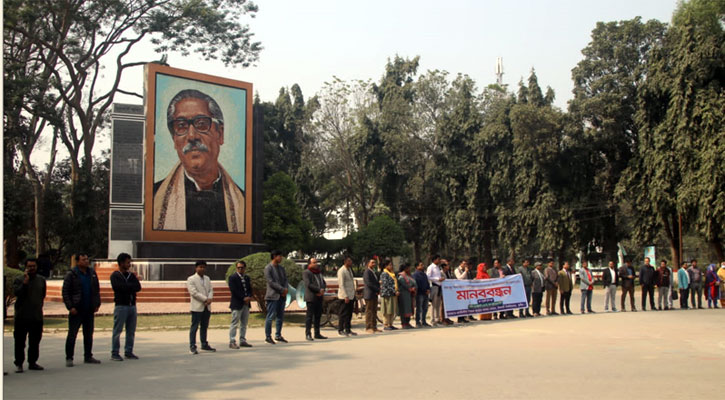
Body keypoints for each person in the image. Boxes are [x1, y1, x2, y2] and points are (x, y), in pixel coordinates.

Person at [153, 89, 245, 232]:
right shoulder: (154, 199)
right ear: (174, 139)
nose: (191, 136)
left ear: (220, 134)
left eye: (201, 124)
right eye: (181, 126)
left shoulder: (243, 202)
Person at [63, 253, 101, 367]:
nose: (86, 261)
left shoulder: (92, 273)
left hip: (89, 309)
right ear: (78, 261)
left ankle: (88, 356)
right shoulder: (71, 274)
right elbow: (65, 292)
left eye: (87, 259)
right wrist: (70, 307)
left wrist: (96, 304)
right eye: (83, 259)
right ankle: (69, 357)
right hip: (77, 309)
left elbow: (96, 290)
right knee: (72, 334)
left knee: (88, 334)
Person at [13, 258, 46, 373]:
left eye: (34, 266)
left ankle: (32, 362)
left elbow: (42, 295)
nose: (32, 268)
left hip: (36, 316)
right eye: (29, 266)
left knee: (35, 342)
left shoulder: (41, 280)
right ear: (25, 267)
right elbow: (17, 294)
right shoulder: (19, 280)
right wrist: (25, 283)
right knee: (19, 342)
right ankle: (19, 363)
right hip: (21, 317)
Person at [110, 253, 142, 361]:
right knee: (117, 330)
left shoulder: (131, 275)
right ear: (121, 263)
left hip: (132, 306)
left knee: (131, 330)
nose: (129, 264)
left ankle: (128, 351)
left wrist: (128, 287)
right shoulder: (115, 276)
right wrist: (129, 287)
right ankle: (115, 352)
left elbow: (138, 287)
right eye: (128, 262)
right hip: (121, 306)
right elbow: (118, 288)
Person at [187, 260, 215, 354]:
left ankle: (204, 344)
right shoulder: (191, 279)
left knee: (204, 326)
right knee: (194, 327)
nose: (202, 269)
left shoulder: (207, 278)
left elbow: (211, 289)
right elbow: (193, 292)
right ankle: (192, 345)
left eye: (203, 267)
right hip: (197, 307)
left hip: (207, 307)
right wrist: (205, 299)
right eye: (200, 267)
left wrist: (210, 298)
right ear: (196, 268)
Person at [264, 250, 288, 344]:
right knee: (270, 317)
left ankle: (278, 335)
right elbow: (271, 282)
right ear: (274, 256)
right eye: (279, 256)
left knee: (280, 317)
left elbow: (285, 279)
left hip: (282, 296)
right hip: (272, 296)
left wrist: (285, 289)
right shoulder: (268, 268)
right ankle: (268, 336)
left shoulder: (281, 268)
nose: (281, 258)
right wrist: (282, 289)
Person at [228, 260, 253, 348]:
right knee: (235, 323)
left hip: (246, 304)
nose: (240, 269)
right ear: (236, 268)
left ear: (245, 268)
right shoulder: (232, 277)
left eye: (242, 268)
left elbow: (249, 289)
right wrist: (243, 298)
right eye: (239, 268)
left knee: (244, 323)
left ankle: (242, 339)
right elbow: (234, 290)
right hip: (237, 303)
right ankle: (232, 341)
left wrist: (249, 297)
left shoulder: (246, 278)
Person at [303, 258, 327, 341]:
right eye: (314, 263)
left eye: (316, 262)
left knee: (318, 316)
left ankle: (317, 333)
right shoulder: (307, 272)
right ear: (309, 264)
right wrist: (318, 290)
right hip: (311, 297)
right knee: (309, 316)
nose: (316, 264)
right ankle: (308, 334)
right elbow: (308, 284)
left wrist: (322, 289)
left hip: (319, 297)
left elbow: (323, 282)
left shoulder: (319, 273)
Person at [337, 256, 357, 336]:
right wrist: (345, 296)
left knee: (349, 313)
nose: (351, 262)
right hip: (344, 296)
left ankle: (348, 329)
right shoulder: (341, 271)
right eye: (349, 261)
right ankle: (340, 329)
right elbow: (341, 284)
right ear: (345, 262)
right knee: (343, 313)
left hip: (351, 295)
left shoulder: (349, 270)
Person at [426, 255, 445, 326]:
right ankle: (432, 320)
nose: (439, 260)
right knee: (433, 304)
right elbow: (428, 277)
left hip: (439, 286)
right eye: (438, 259)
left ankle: (437, 319)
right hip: (434, 286)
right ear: (434, 260)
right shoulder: (430, 267)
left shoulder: (437, 267)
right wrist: (437, 279)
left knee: (438, 304)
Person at [363, 258, 381, 333]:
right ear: (368, 264)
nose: (374, 264)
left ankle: (374, 326)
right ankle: (368, 327)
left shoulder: (373, 272)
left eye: (374, 263)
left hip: (374, 294)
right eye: (372, 263)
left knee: (374, 311)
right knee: (369, 311)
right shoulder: (367, 272)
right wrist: (377, 289)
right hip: (369, 294)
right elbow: (369, 283)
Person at [380, 259, 399, 330]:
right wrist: (394, 291)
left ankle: (390, 324)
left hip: (393, 294)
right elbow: (386, 285)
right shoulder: (384, 274)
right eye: (390, 265)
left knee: (392, 309)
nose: (391, 266)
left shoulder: (392, 273)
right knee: (387, 310)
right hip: (387, 294)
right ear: (386, 266)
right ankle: (386, 324)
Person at [397, 263, 417, 329]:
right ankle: (404, 323)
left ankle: (408, 322)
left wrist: (414, 288)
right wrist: (411, 288)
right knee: (404, 309)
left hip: (409, 295)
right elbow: (404, 284)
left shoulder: (409, 276)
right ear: (405, 269)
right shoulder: (401, 276)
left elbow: (414, 283)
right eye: (408, 268)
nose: (409, 269)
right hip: (403, 295)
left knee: (409, 308)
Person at [413, 261, 431, 327]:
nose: (422, 266)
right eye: (421, 265)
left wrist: (428, 289)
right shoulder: (415, 275)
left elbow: (427, 283)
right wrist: (424, 290)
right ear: (417, 267)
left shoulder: (424, 274)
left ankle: (424, 321)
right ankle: (418, 322)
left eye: (422, 265)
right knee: (419, 308)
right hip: (420, 293)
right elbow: (416, 285)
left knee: (425, 308)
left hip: (426, 293)